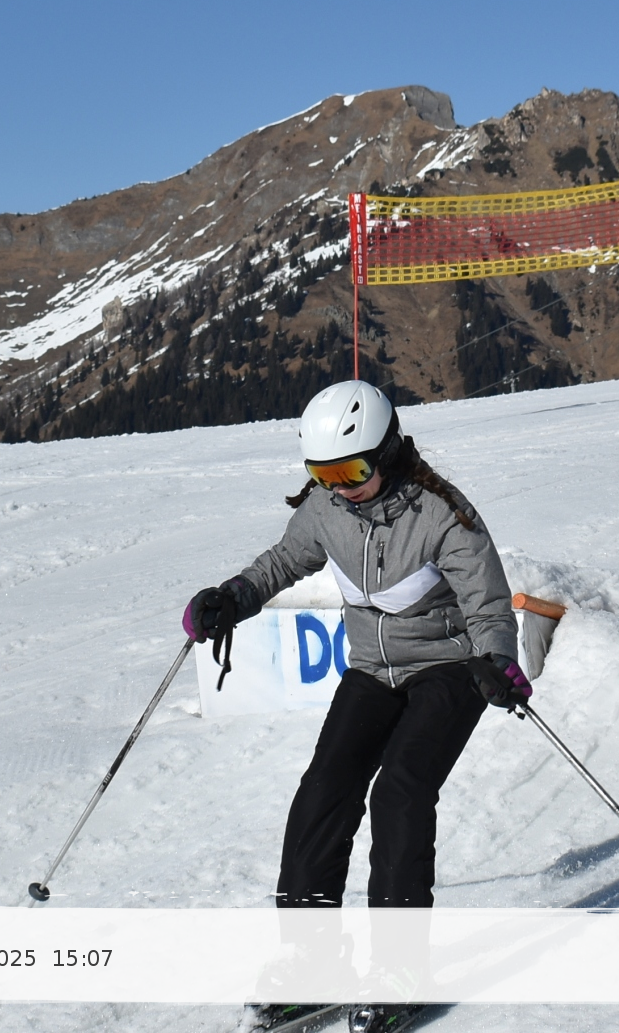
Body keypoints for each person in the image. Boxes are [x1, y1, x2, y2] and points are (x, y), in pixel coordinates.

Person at [185, 380, 534, 912]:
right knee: (324, 789)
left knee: (400, 791)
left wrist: (497, 660)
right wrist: (235, 597)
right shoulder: (326, 509)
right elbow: (284, 560)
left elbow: (487, 604)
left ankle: (397, 952)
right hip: (371, 669)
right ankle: (306, 942)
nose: (339, 488)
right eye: (323, 475)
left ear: (387, 452)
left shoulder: (443, 515)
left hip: (448, 667)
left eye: (350, 472)